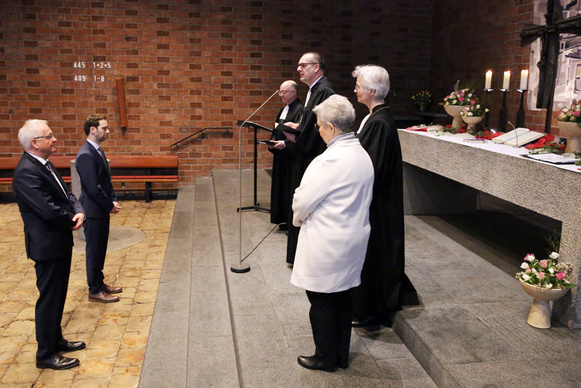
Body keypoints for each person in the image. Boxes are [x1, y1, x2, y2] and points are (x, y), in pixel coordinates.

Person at [291, 95, 374, 372]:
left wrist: (297, 218)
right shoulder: (361, 154)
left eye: (318, 126)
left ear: (330, 127)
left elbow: (302, 203)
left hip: (327, 242)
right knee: (343, 299)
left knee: (322, 301)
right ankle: (340, 355)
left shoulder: (328, 161)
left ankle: (325, 357)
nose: (318, 131)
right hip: (353, 240)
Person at [12, 119, 86, 370]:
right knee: (49, 299)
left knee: (58, 295)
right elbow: (47, 209)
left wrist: (77, 210)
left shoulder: (43, 164)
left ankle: (56, 340)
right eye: (49, 136)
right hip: (47, 246)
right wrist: (71, 220)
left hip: (59, 243)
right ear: (35, 143)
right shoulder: (26, 172)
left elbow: (66, 194)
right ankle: (45, 354)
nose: (54, 140)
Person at [351, 65, 419, 330]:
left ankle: (371, 310)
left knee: (375, 254)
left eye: (358, 85)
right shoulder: (375, 116)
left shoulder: (379, 121)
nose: (355, 89)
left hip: (377, 203)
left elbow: (373, 168)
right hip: (374, 200)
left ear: (370, 90)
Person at [283, 52, 336, 265]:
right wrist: (299, 127)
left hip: (312, 156)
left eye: (303, 65)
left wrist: (299, 138)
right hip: (305, 153)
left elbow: (321, 128)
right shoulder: (314, 90)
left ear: (316, 67)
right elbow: (311, 122)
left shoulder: (324, 90)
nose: (299, 69)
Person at [75, 115, 122, 303]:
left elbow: (105, 182)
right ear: (92, 130)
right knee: (94, 251)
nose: (108, 131)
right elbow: (93, 187)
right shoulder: (86, 154)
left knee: (100, 248)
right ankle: (94, 289)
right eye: (104, 128)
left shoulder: (97, 151)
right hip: (93, 211)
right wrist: (109, 205)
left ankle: (99, 283)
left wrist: (113, 200)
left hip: (100, 209)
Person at [268, 80, 303, 231]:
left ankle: (291, 222)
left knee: (289, 187)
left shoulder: (300, 110)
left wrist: (285, 143)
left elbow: (300, 135)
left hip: (291, 157)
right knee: (280, 186)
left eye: (284, 92)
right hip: (280, 155)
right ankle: (282, 218)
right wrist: (272, 141)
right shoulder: (284, 109)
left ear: (294, 92)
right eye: (280, 92)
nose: (281, 95)